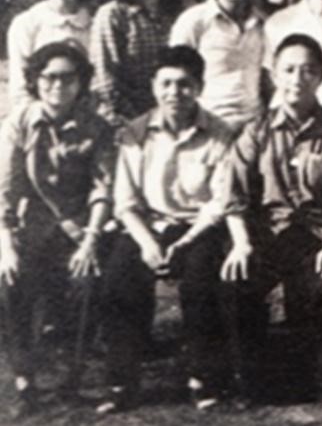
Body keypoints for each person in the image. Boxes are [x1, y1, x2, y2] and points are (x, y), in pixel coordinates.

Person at [96, 46, 239, 413]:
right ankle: (121, 382)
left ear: (200, 87)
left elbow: (219, 202)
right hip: (147, 225)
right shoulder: (135, 133)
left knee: (201, 282)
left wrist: (186, 241)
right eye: (166, 84)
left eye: (185, 84)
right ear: (154, 87)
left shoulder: (220, 133)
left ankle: (205, 378)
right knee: (119, 280)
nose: (175, 93)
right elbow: (125, 201)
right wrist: (147, 243)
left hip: (197, 227)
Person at [221, 34, 322, 409]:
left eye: (308, 70)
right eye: (289, 70)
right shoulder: (256, 131)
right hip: (268, 235)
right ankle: (252, 385)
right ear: (274, 75)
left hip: (318, 235)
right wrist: (242, 244)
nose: (298, 79)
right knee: (237, 281)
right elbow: (235, 195)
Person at [0, 43, 113, 414]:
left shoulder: (96, 127)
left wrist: (90, 241)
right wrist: (6, 246)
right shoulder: (18, 123)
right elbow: (5, 189)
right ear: (35, 80)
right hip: (31, 226)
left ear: (81, 82)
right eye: (49, 77)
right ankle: (24, 380)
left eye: (68, 77)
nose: (58, 85)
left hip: (78, 228)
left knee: (86, 282)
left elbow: (102, 188)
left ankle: (71, 379)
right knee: (10, 280)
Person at [170, 0, 267, 133]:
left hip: (256, 130)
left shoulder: (265, 24)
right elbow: (175, 80)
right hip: (206, 127)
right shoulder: (193, 22)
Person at [91, 0, 184, 124]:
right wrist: (136, 123)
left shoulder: (181, 14)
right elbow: (105, 80)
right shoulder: (114, 14)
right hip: (125, 118)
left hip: (174, 115)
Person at [7, 0, 92, 111]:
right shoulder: (26, 24)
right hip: (39, 116)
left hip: (89, 116)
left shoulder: (95, 22)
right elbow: (19, 89)